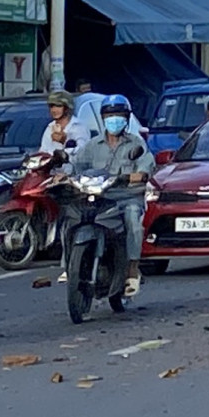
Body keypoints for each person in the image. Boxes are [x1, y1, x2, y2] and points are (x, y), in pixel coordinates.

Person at [67, 95, 155, 297]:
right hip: (99, 198)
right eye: (109, 115)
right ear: (103, 118)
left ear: (126, 118)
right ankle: (68, 265)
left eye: (118, 115)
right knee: (70, 214)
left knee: (133, 217)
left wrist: (135, 176)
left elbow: (145, 168)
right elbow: (76, 164)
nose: (114, 119)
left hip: (127, 197)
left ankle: (133, 268)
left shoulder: (136, 143)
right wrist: (64, 173)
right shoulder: (92, 144)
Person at [38, 90, 89, 156]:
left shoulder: (78, 127)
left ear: (67, 107)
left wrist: (63, 142)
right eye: (52, 106)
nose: (54, 110)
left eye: (58, 106)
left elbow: (83, 152)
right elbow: (43, 151)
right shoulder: (50, 127)